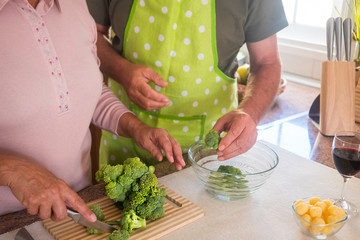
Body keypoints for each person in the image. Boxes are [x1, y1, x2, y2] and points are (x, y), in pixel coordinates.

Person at [0, 0, 185, 221]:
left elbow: (86, 90)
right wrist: (11, 169)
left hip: (79, 205)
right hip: (9, 220)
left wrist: (134, 127)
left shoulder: (75, 4)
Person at [86, 0, 288, 166]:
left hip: (209, 148)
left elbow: (267, 62)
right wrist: (122, 71)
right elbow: (89, 35)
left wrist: (249, 113)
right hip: (125, 135)